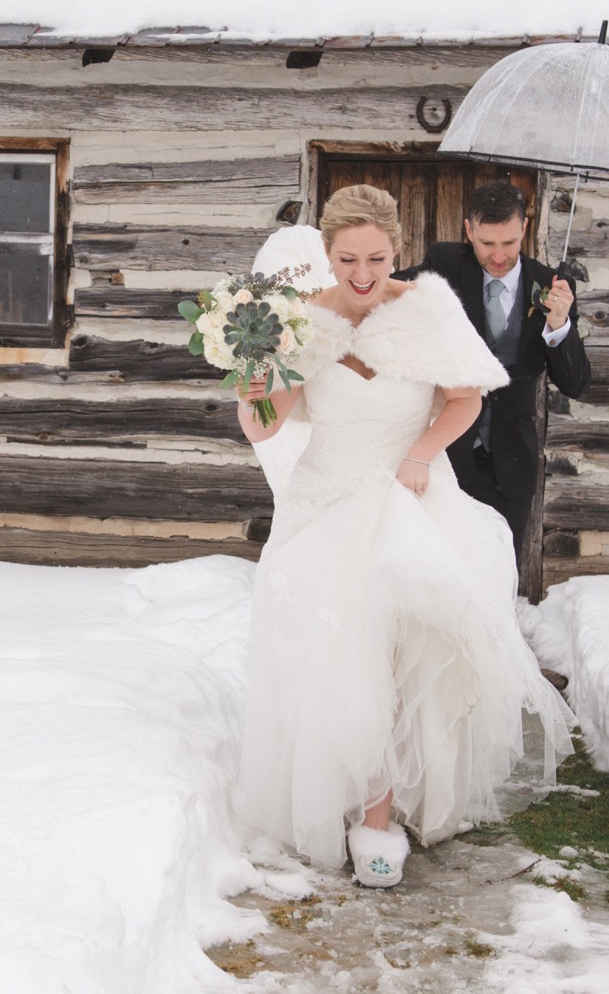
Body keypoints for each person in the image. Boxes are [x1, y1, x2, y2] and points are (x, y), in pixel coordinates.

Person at [235, 184, 575, 889]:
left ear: (398, 250)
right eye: (347, 258)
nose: (362, 273)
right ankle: (330, 790)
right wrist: (254, 376)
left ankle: (379, 815)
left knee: (391, 654)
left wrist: (422, 452)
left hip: (403, 491)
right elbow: (268, 424)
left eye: (377, 257)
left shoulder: (426, 306)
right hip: (325, 497)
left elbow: (466, 398)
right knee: (328, 651)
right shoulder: (301, 318)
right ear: (326, 254)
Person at [394, 181, 591, 565]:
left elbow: (576, 383)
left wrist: (559, 325)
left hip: (512, 462)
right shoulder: (445, 264)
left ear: (525, 229)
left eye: (509, 243)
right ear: (469, 231)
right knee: (442, 568)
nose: (499, 256)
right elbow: (388, 289)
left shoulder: (550, 286)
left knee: (501, 573)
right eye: (487, 244)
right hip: (447, 458)